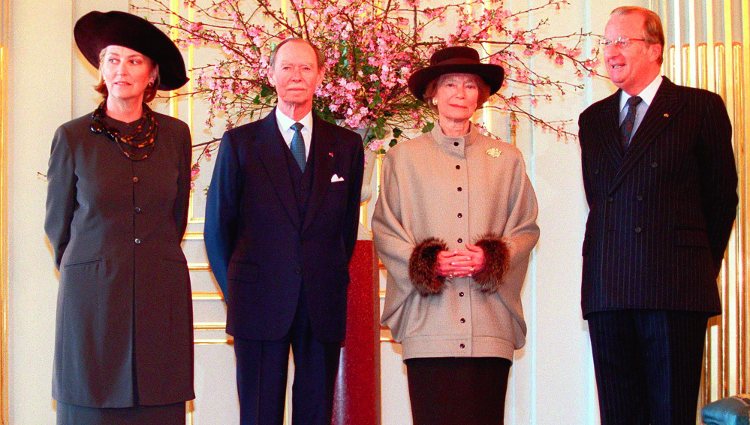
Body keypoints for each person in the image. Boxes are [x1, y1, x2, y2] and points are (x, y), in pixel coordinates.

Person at [578, 6, 738, 424]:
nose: (611, 52)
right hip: (608, 287)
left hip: (673, 287)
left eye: (622, 41)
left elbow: (722, 200)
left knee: (669, 414)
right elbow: (600, 199)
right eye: (606, 42)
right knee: (618, 415)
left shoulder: (699, 108)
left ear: (654, 49)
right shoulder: (592, 120)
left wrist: (693, 264)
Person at [372, 46, 539, 425]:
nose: (460, 93)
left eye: (469, 85)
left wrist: (492, 257)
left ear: (480, 95)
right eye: (449, 84)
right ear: (432, 93)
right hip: (429, 322)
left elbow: (525, 227)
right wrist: (426, 260)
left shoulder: (507, 158)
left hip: (489, 319)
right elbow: (384, 228)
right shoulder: (403, 158)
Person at [44, 10, 194, 425]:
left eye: (133, 61)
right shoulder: (71, 137)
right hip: (91, 295)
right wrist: (94, 263)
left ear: (151, 76)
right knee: (90, 404)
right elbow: (58, 225)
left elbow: (175, 216)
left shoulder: (176, 135)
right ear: (101, 69)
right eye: (112, 59)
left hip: (158, 291)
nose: (121, 70)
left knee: (158, 402)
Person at [204, 38, 364, 425]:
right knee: (259, 415)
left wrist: (321, 276)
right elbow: (217, 229)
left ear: (321, 77)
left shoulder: (346, 145)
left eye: (306, 68)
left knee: (316, 414)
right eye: (288, 67)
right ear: (271, 74)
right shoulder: (240, 144)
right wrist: (239, 292)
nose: (297, 76)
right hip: (257, 304)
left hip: (320, 303)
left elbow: (345, 229)